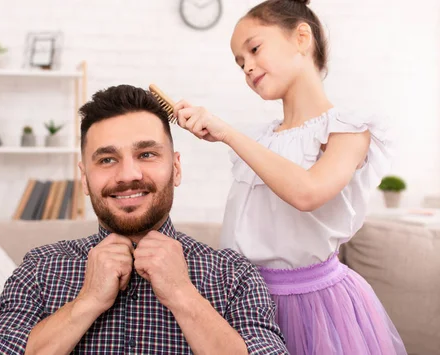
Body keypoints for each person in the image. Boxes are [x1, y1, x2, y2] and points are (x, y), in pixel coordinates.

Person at [0, 84, 288, 355]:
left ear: (176, 167)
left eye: (146, 154)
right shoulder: (39, 268)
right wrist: (87, 302)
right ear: (84, 178)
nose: (128, 174)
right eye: (107, 159)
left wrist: (182, 295)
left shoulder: (233, 276)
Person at [172, 0, 407, 354]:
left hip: (317, 309)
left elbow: (308, 192)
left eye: (254, 49)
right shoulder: (261, 139)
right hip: (246, 303)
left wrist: (228, 134)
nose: (248, 67)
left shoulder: (348, 130)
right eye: (240, 63)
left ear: (301, 38)